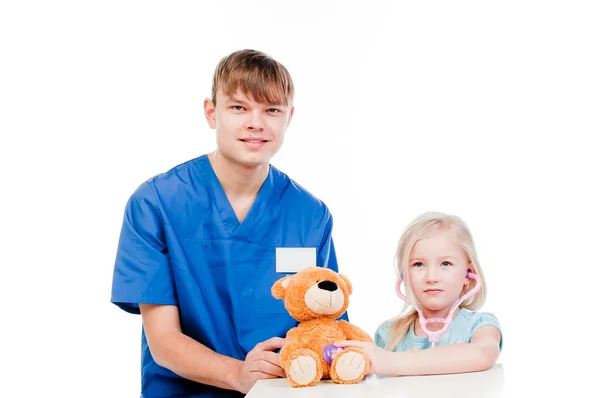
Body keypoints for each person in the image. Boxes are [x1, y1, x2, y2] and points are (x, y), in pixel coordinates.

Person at [110, 49, 347, 397]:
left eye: (272, 110)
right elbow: (162, 340)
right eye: (238, 107)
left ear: (289, 118)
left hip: (282, 389)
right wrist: (238, 374)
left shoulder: (310, 215)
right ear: (211, 112)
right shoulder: (156, 203)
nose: (256, 123)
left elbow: (326, 322)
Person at [335, 211, 502, 376]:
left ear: (468, 273)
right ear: (404, 275)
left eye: (445, 263)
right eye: (418, 264)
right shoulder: (388, 334)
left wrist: (393, 362)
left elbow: (483, 354)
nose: (431, 277)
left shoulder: (480, 326)